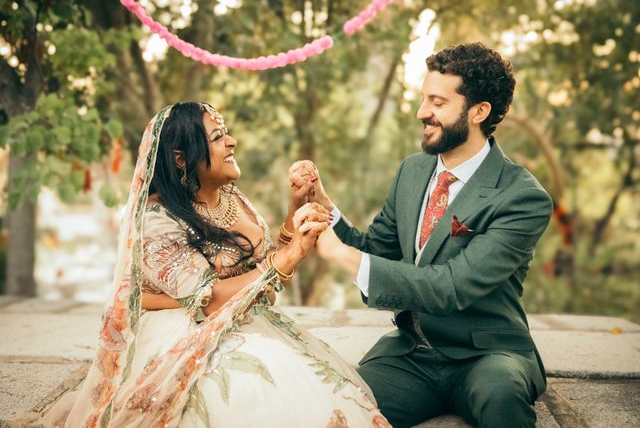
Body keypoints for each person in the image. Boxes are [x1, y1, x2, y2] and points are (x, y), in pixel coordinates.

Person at [45, 102, 390, 427]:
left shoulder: (229, 196)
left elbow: (264, 270)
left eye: (226, 132)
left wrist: (296, 206)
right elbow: (211, 299)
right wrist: (288, 256)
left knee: (320, 383)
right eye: (218, 137)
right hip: (187, 329)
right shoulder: (156, 219)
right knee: (255, 383)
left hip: (246, 319)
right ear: (181, 159)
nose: (232, 141)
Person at [289, 43, 553, 428]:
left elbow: (450, 287)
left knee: (502, 398)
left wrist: (339, 255)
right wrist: (325, 209)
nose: (421, 112)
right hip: (413, 353)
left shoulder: (522, 197)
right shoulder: (412, 171)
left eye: (437, 102)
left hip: (489, 355)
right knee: (340, 407)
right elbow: (378, 251)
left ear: (479, 111)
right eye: (423, 98)